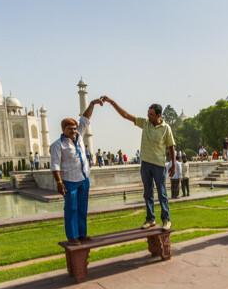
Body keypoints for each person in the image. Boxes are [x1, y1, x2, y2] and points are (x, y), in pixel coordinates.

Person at [102, 96, 176, 231]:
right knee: (147, 193)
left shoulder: (166, 128)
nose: (149, 116)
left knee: (162, 193)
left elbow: (171, 146)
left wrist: (174, 164)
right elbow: (125, 115)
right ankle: (150, 219)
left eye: (151, 115)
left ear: (159, 115)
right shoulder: (145, 123)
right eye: (148, 114)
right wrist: (112, 102)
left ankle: (166, 219)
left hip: (159, 165)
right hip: (146, 164)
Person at [50, 99, 101, 245]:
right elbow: (55, 166)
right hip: (69, 181)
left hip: (83, 179)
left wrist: (92, 104)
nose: (72, 131)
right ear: (63, 130)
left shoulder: (79, 137)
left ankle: (82, 234)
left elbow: (85, 119)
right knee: (71, 209)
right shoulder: (58, 145)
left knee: (82, 208)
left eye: (74, 128)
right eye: (69, 129)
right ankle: (72, 237)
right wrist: (59, 183)